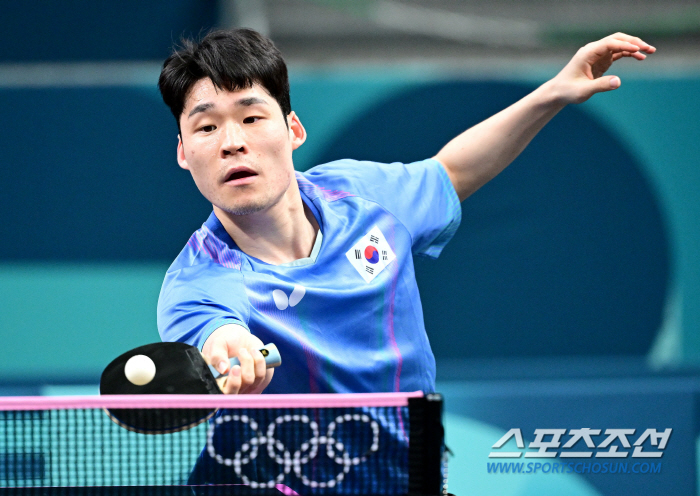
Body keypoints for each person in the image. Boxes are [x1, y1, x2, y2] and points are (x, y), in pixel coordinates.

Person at [156, 29, 655, 396]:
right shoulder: (197, 284)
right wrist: (230, 347)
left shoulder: (363, 197)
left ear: (293, 130)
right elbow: (216, 333)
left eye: (250, 117)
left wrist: (553, 93)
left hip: (410, 478)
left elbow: (453, 171)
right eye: (206, 128)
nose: (233, 143)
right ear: (182, 152)